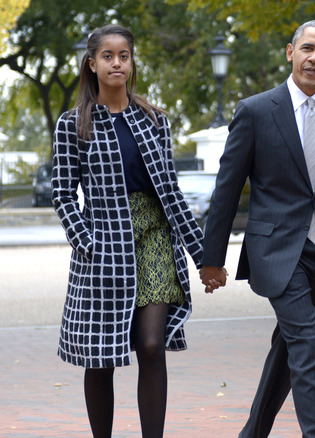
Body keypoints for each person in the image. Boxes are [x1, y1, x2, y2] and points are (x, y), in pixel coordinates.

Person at [198, 20, 315, 438]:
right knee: (307, 343)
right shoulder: (255, 110)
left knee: (289, 346)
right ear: (290, 52)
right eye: (308, 48)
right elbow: (228, 188)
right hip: (276, 252)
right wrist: (212, 259)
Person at [51, 24, 205, 438]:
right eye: (107, 56)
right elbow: (63, 195)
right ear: (92, 64)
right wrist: (87, 243)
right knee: (100, 357)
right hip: (103, 243)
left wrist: (203, 255)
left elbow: (171, 191)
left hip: (154, 236)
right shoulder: (73, 124)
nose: (116, 62)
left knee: (151, 346)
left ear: (132, 62)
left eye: (124, 55)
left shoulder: (154, 120)